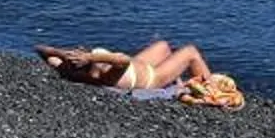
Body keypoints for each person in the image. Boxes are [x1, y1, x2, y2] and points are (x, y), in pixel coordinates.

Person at [36, 41, 217, 92]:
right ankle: (213, 91)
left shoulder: (66, 69)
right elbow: (123, 61)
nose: (78, 50)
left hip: (139, 67)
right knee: (190, 52)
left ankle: (178, 79)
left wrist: (60, 53)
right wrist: (90, 56)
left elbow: (41, 50)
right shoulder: (100, 71)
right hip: (152, 78)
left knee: (163, 46)